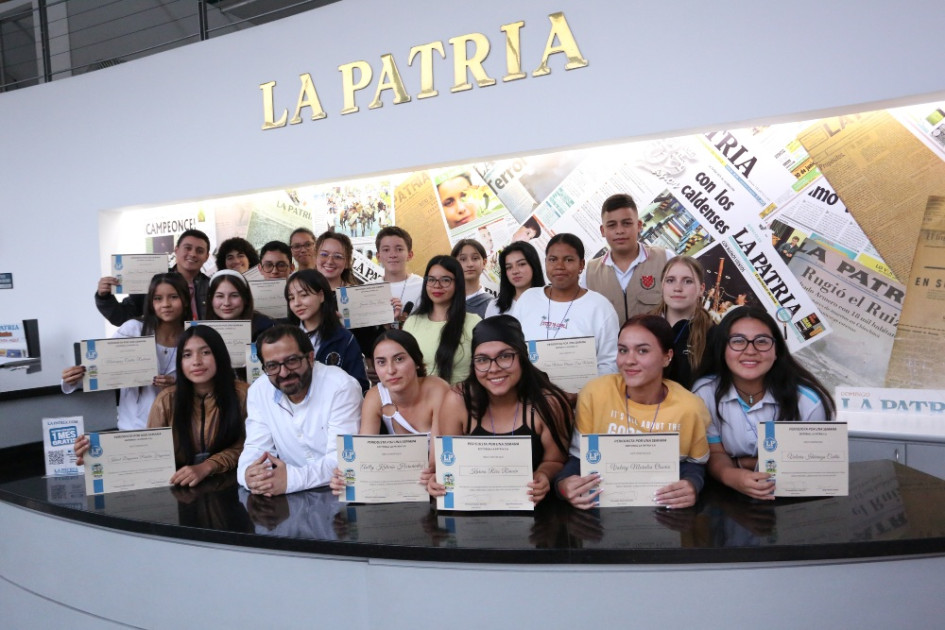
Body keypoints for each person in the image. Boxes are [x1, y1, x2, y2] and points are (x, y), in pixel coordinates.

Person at [555, 315, 710, 510]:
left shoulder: (690, 408)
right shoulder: (595, 394)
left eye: (642, 350)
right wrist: (563, 483)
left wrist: (691, 485)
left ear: (667, 357)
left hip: (665, 510)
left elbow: (695, 464)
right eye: (623, 350)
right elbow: (579, 459)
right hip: (601, 510)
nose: (629, 360)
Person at [692, 307, 835, 500]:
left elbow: (811, 468)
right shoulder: (705, 393)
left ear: (777, 350)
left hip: (797, 502)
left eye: (762, 341)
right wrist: (731, 475)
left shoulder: (810, 403)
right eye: (738, 341)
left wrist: (742, 463)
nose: (750, 350)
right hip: (728, 496)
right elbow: (715, 452)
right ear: (723, 348)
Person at [427, 316, 574, 504]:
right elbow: (449, 461)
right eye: (482, 360)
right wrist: (439, 479)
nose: (493, 368)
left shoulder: (548, 404)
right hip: (473, 509)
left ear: (522, 357)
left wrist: (543, 474)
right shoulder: (458, 400)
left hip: (532, 510)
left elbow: (555, 461)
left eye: (505, 356)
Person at [237, 325, 362, 496]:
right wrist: (249, 475)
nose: (283, 373)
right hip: (290, 495)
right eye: (272, 366)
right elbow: (256, 448)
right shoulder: (258, 391)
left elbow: (343, 460)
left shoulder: (341, 387)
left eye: (291, 361)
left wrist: (290, 480)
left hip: (338, 492)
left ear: (310, 358)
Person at [329, 330, 450, 495]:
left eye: (399, 359)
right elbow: (365, 451)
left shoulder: (438, 388)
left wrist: (432, 477)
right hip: (400, 486)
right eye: (381, 362)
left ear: (416, 361)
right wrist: (347, 476)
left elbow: (436, 463)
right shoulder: (375, 397)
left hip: (436, 483)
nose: (391, 370)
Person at [64, 273, 190, 430]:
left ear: (185, 300)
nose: (165, 304)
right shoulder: (133, 329)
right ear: (150, 302)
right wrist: (74, 377)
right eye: (158, 298)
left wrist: (177, 385)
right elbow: (103, 368)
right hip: (133, 430)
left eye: (173, 297)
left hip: (179, 428)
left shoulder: (194, 336)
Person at [510, 233, 619, 376]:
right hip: (531, 393)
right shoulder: (528, 299)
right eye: (553, 259)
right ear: (546, 262)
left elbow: (610, 363)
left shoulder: (600, 307)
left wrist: (579, 393)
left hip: (583, 396)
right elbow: (513, 348)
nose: (559, 266)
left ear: (581, 265)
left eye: (568, 260)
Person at [583, 193, 673, 324]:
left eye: (626, 223)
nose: (620, 231)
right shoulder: (589, 274)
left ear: (639, 225)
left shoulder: (666, 259)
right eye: (612, 225)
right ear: (603, 230)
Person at [95, 229, 211, 326]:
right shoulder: (154, 282)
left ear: (206, 257)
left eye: (200, 251)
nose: (193, 254)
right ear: (176, 250)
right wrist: (104, 298)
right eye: (187, 248)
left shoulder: (212, 287)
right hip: (162, 348)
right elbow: (122, 317)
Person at [285, 269, 368, 393]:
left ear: (321, 295)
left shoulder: (343, 338)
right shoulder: (284, 338)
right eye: (291, 298)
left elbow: (359, 385)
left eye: (304, 295)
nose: (296, 303)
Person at [403, 256, 480, 384]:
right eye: (431, 280)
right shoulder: (412, 323)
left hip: (462, 400)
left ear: (458, 283)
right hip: (423, 401)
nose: (437, 286)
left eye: (445, 280)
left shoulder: (474, 323)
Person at [651, 256, 714, 389]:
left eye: (687, 281)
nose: (678, 288)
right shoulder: (643, 326)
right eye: (670, 280)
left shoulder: (714, 334)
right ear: (662, 285)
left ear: (701, 289)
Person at [204, 270, 275, 341]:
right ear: (211, 299)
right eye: (220, 296)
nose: (226, 303)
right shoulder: (203, 331)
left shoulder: (267, 329)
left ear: (246, 298)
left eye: (234, 296)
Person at [375, 226, 423, 324]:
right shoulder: (367, 288)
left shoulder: (423, 286)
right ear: (378, 256)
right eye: (386, 250)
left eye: (399, 249)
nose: (392, 255)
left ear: (410, 255)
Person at [484, 240, 544, 317]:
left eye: (521, 264)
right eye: (509, 267)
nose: (515, 271)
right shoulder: (495, 307)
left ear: (534, 265)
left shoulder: (551, 302)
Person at [451, 239, 494, 318]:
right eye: (463, 259)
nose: (469, 264)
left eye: (475, 258)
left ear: (484, 263)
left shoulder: (492, 305)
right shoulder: (446, 299)